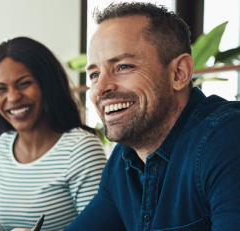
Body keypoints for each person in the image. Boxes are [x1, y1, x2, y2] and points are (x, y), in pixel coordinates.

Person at [16, 2, 240, 231]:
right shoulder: (124, 160)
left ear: (179, 73)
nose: (100, 88)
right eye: (94, 74)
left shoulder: (227, 139)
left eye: (123, 66)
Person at [0, 37, 107, 231]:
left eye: (24, 84)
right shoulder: (1, 147)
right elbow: (3, 224)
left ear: (46, 85)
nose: (13, 97)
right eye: (0, 89)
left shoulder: (80, 148)